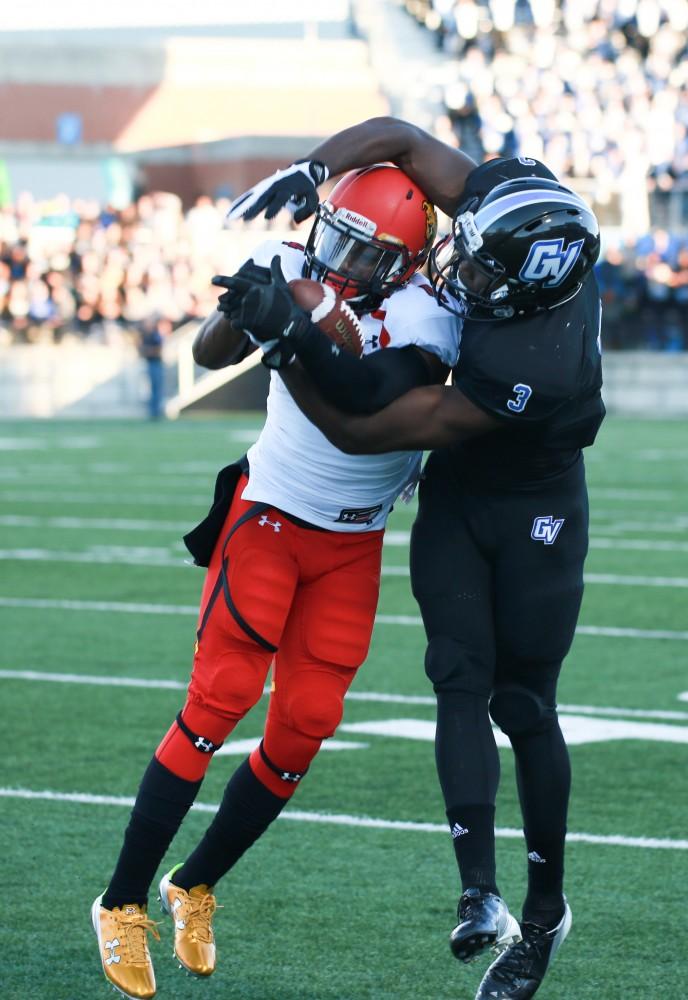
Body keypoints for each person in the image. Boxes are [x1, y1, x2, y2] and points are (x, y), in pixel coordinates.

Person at [222, 117, 604, 1000]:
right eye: (460, 256)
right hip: (460, 492)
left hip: (535, 502)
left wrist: (289, 347)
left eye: (476, 274)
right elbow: (397, 135)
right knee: (455, 676)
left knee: (522, 702)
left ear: (525, 291)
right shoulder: (515, 207)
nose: (455, 275)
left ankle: (545, 913)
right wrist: (311, 169)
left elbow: (363, 430)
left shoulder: (529, 364)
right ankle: (479, 893)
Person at [90, 163, 461, 1000]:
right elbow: (207, 351)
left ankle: (196, 883)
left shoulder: (424, 314)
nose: (336, 257)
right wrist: (247, 310)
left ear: (402, 262)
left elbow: (369, 395)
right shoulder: (293, 263)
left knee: (304, 726)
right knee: (218, 701)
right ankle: (119, 903)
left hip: (352, 541)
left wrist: (299, 329)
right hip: (269, 517)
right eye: (335, 234)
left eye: (362, 252)